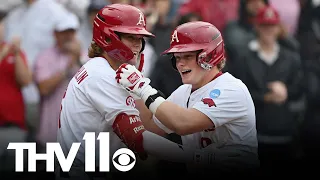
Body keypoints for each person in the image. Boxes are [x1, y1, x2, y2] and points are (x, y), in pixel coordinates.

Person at [114, 21, 260, 176]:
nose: (180, 64)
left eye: (187, 56)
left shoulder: (231, 89)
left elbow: (184, 124)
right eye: (176, 58)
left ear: (209, 56)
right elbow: (151, 126)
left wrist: (142, 87)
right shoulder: (184, 91)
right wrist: (134, 91)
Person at [55, 4, 156, 179]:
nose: (137, 45)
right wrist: (191, 154)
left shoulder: (99, 68)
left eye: (140, 39)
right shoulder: (102, 75)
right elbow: (138, 139)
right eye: (131, 37)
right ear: (108, 38)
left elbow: (147, 121)